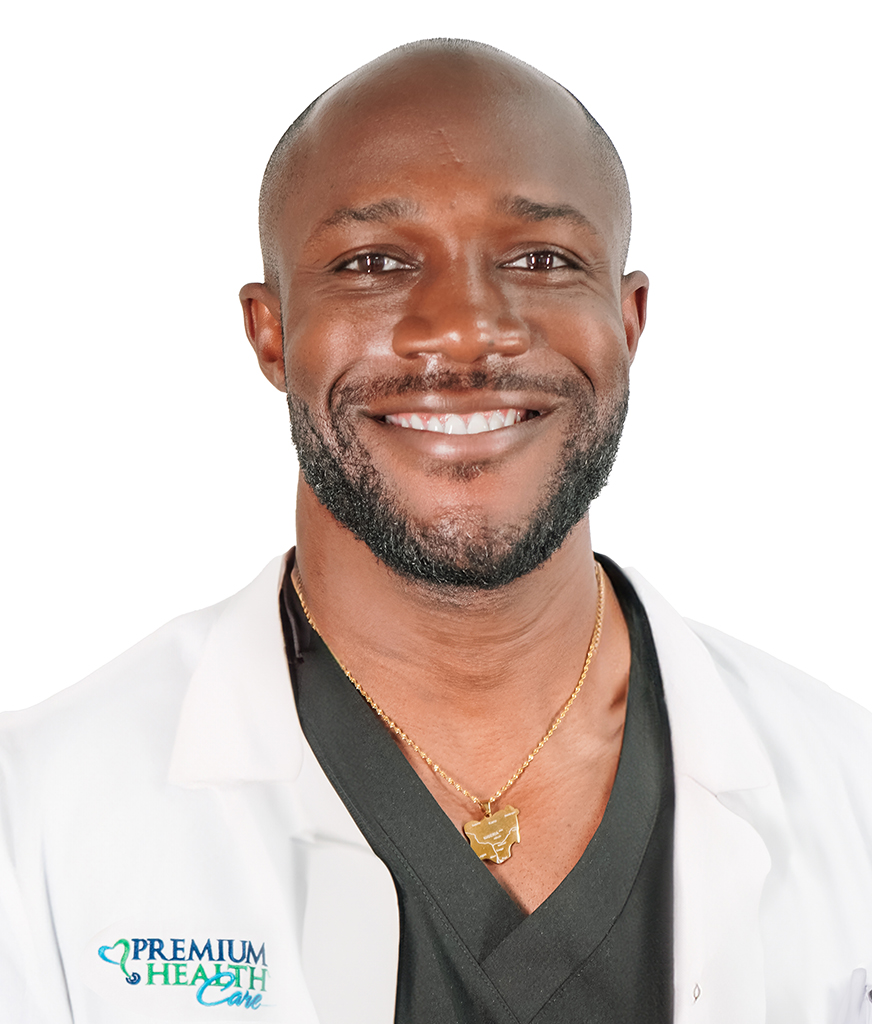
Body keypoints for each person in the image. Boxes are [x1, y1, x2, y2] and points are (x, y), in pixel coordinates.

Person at [1, 38, 870, 1024]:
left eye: (541, 258)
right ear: (270, 332)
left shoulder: (848, 789)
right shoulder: (35, 821)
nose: (462, 328)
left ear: (626, 322)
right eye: (373, 262)